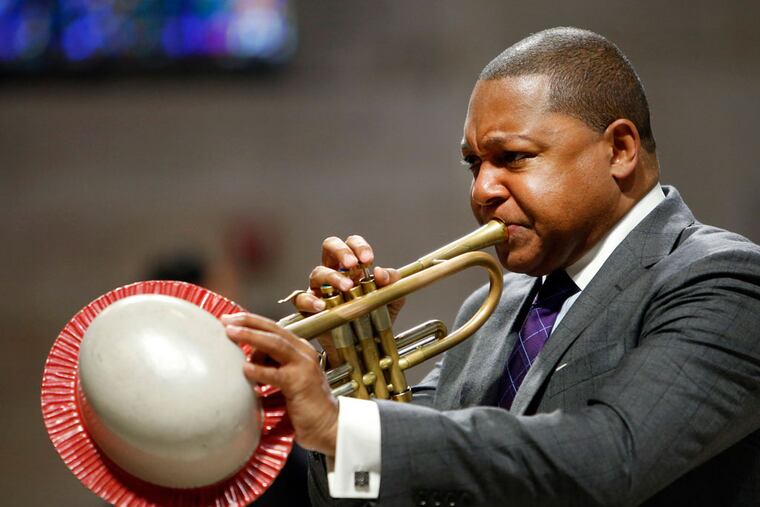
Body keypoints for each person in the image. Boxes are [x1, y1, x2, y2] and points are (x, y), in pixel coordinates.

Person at [221, 27, 760, 506]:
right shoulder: (489, 305)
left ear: (619, 149)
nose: (482, 190)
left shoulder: (723, 280)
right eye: (473, 164)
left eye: (513, 158)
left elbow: (610, 458)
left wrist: (346, 426)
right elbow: (402, 481)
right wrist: (356, 369)